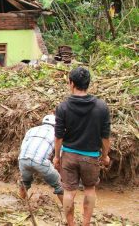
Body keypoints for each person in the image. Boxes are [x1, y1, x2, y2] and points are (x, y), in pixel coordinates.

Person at [53, 67, 111, 226]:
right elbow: (105, 136)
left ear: (71, 83)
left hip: (69, 155)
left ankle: (71, 224)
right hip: (91, 156)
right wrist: (105, 155)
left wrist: (57, 157)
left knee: (69, 192)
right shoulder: (101, 107)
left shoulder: (62, 107)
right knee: (90, 189)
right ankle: (85, 224)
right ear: (88, 84)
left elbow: (58, 137)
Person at [18, 114, 63, 204]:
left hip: (23, 159)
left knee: (24, 183)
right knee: (59, 186)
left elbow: (23, 147)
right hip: (40, 161)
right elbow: (60, 155)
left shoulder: (31, 130)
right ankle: (67, 210)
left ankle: (21, 203)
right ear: (55, 125)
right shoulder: (56, 133)